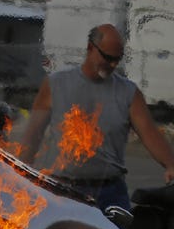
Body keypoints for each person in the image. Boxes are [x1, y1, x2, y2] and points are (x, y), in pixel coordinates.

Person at [19, 23, 174, 212]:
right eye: (108, 58)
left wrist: (170, 164)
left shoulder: (129, 93)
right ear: (90, 48)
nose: (113, 65)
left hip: (110, 193)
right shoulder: (56, 84)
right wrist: (19, 174)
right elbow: (33, 134)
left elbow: (150, 133)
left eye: (117, 59)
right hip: (63, 190)